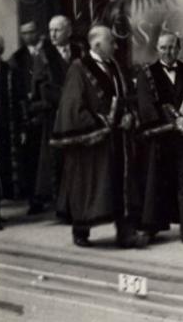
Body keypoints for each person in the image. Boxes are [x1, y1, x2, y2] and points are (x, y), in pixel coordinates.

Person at [50, 25, 144, 248]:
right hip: (92, 143)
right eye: (112, 42)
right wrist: (103, 122)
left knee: (122, 186)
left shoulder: (115, 66)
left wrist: (129, 115)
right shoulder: (79, 68)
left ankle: (125, 232)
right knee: (89, 188)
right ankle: (81, 231)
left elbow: (126, 97)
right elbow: (73, 106)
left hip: (118, 140)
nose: (116, 45)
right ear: (97, 45)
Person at [135, 32, 183, 244]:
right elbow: (146, 107)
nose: (168, 52)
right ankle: (151, 228)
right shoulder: (147, 73)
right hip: (159, 140)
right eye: (163, 48)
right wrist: (172, 123)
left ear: (178, 49)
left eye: (171, 48)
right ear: (157, 49)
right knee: (155, 184)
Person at [31, 15, 82, 212]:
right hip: (54, 114)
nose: (52, 34)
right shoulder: (43, 55)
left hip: (77, 114)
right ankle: (61, 206)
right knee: (56, 159)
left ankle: (76, 201)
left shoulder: (79, 51)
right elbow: (42, 87)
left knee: (76, 157)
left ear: (68, 31)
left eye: (57, 30)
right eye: (50, 30)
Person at [0, 33, 22, 230]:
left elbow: (17, 101)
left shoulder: (8, 71)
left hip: (4, 131)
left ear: (1, 50)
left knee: (1, 170)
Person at [9, 21, 45, 211]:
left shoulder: (47, 52)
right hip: (28, 113)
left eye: (31, 31)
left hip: (45, 110)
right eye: (24, 33)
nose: (28, 36)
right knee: (31, 158)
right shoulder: (17, 58)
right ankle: (34, 199)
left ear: (37, 32)